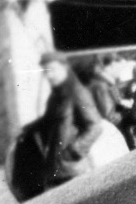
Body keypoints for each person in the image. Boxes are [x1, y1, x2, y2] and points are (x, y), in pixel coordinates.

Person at [24, 51, 103, 192]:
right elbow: (47, 123)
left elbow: (95, 126)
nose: (49, 76)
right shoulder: (54, 97)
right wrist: (28, 129)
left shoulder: (77, 93)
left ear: (64, 67)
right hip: (55, 169)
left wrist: (74, 151)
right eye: (45, 71)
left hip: (74, 169)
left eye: (52, 70)